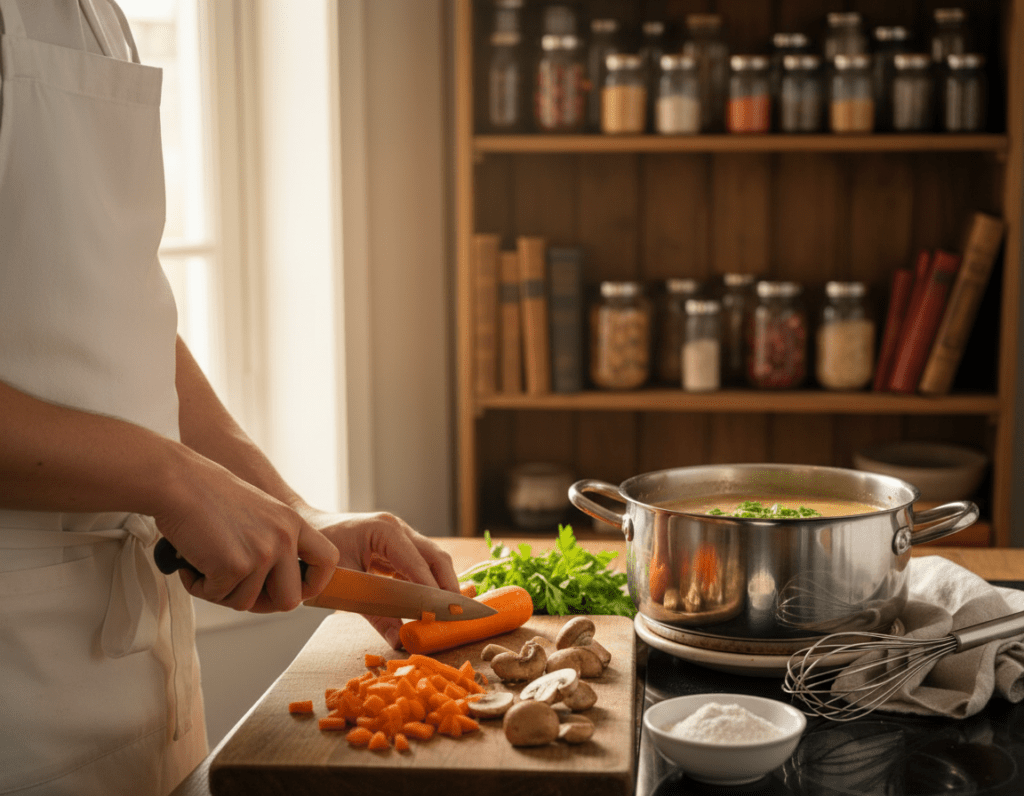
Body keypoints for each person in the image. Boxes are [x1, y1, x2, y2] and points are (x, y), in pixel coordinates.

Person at [0, 2, 459, 794]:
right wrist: (172, 478)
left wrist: (292, 509)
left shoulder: (96, 13)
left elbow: (118, 317)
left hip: (149, 682)